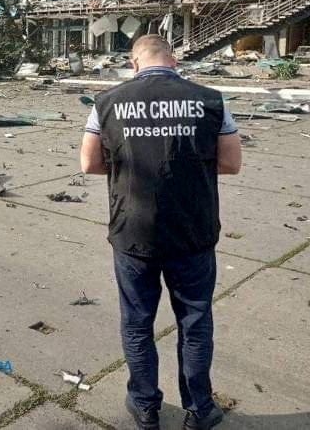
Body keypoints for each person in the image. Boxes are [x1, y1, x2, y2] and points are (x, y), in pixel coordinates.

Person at [80, 35, 242, 430]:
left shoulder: (107, 102)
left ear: (134, 63)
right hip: (193, 232)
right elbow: (231, 163)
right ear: (174, 60)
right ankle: (200, 409)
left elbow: (89, 164)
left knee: (137, 322)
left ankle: (145, 407)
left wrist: (126, 169)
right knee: (195, 320)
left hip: (133, 231)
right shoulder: (210, 99)